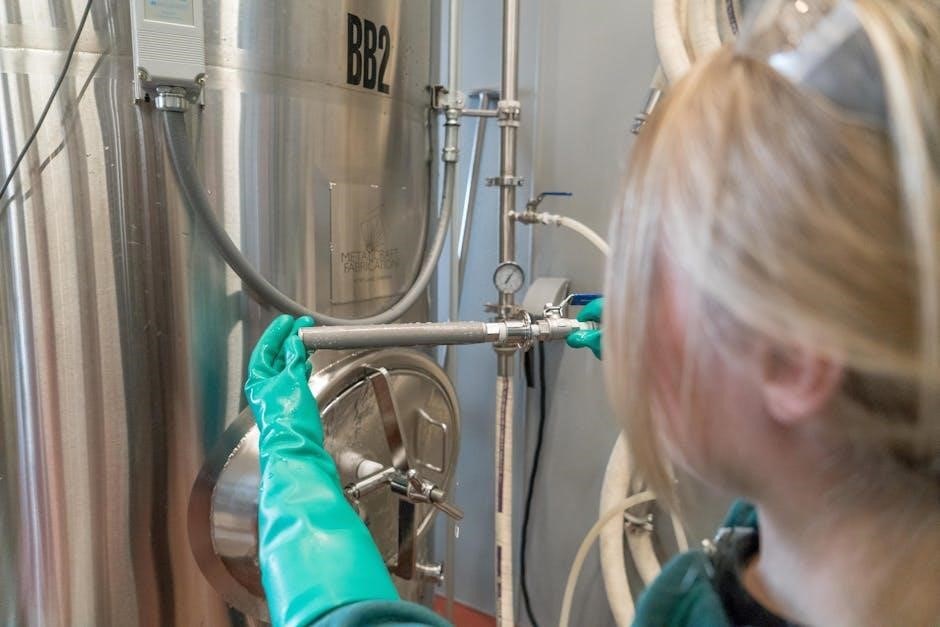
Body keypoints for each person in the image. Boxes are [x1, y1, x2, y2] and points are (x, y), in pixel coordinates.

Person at [244, 0, 940, 624]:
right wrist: (676, 355)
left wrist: (298, 483)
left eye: (649, 277)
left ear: (790, 358)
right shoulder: (825, 526)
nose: (627, 307)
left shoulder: (695, 609)